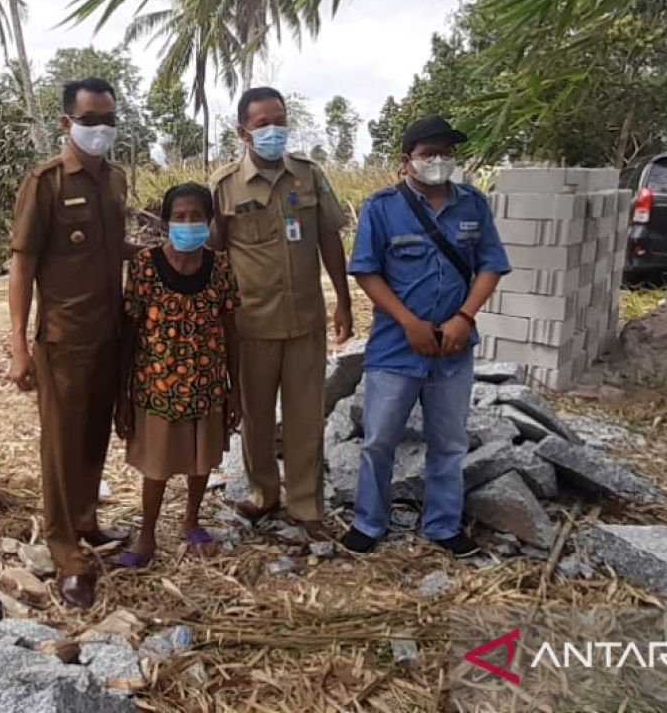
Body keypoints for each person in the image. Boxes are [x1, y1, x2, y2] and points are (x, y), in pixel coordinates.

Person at [340, 115, 511, 557]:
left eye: (446, 153)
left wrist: (464, 318)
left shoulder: (472, 205)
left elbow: (490, 266)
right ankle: (368, 522)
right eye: (428, 153)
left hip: (453, 349)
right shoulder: (382, 207)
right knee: (379, 440)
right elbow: (366, 271)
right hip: (397, 347)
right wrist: (408, 322)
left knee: (449, 442)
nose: (438, 161)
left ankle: (442, 525)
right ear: (407, 160)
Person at [7, 77, 131, 608]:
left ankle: (87, 520)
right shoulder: (47, 182)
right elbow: (23, 262)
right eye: (89, 120)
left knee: (94, 435)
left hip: (110, 332)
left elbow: (109, 247)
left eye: (108, 120)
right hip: (63, 337)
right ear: (66, 124)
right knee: (60, 446)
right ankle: (65, 551)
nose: (100, 130)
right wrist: (17, 343)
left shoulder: (116, 180)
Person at [210, 87, 353, 539]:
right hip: (250, 323)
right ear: (243, 131)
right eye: (262, 124)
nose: (273, 130)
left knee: (305, 413)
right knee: (254, 414)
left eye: (279, 120)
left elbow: (329, 238)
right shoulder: (225, 185)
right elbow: (213, 254)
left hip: (305, 319)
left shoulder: (308, 177)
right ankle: (262, 493)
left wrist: (343, 301)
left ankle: (307, 505)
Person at [113, 183, 242, 566]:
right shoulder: (144, 267)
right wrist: (123, 395)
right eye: (180, 217)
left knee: (202, 460)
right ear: (166, 222)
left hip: (207, 384)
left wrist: (234, 390)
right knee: (156, 466)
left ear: (210, 221)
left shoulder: (220, 266)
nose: (189, 223)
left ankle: (191, 519)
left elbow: (231, 330)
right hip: (156, 386)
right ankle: (147, 535)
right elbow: (129, 333)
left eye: (197, 216)